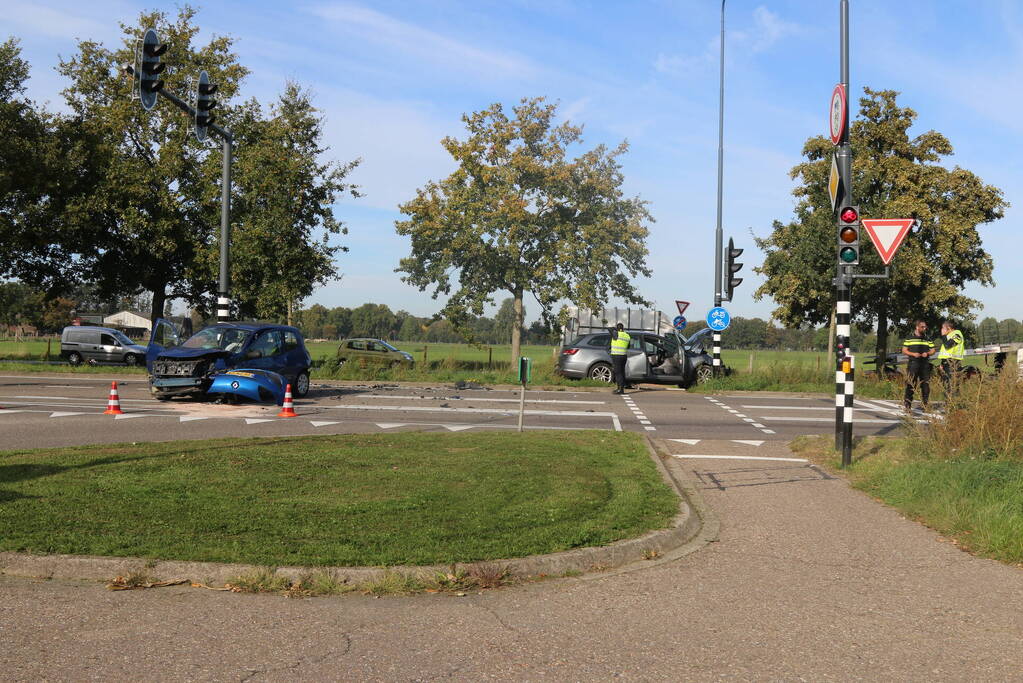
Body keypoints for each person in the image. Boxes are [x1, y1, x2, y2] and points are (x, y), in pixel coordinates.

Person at [901, 319, 935, 412]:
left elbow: (933, 350)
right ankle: (908, 405)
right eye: (922, 327)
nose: (924, 328)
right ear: (917, 327)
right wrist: (913, 354)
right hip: (913, 364)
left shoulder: (927, 338)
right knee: (911, 384)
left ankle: (925, 405)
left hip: (925, 364)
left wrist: (927, 353)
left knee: (926, 385)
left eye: (925, 327)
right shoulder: (909, 337)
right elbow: (904, 350)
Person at [936, 319, 965, 399]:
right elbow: (945, 352)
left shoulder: (957, 334)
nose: (941, 330)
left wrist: (943, 335)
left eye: (943, 328)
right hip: (946, 363)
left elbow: (948, 346)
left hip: (953, 363)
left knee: (952, 385)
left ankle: (954, 406)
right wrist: (942, 363)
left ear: (948, 328)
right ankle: (948, 405)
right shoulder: (949, 335)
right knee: (946, 385)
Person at [608, 322, 631, 394]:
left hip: (616, 355)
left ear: (617, 328)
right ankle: (621, 388)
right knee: (622, 372)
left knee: (618, 373)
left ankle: (620, 390)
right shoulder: (627, 336)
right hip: (624, 356)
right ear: (623, 328)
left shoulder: (615, 334)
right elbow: (628, 346)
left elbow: (609, 328)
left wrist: (616, 330)